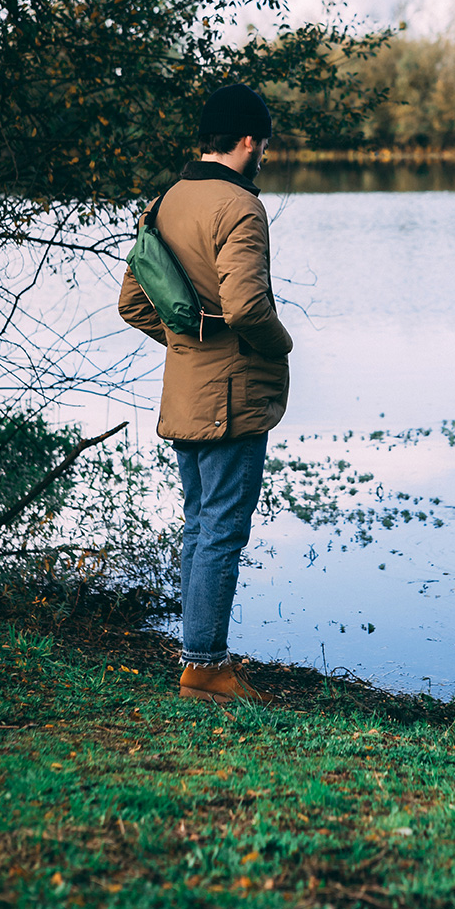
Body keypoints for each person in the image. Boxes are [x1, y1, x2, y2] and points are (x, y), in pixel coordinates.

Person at [118, 83, 293, 704]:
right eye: (264, 142)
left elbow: (132, 302)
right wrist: (282, 345)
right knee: (221, 527)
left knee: (200, 522)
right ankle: (205, 669)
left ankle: (200, 658)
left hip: (187, 389)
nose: (264, 153)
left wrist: (187, 342)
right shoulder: (240, 207)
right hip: (232, 395)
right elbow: (247, 307)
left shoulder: (164, 202)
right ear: (249, 140)